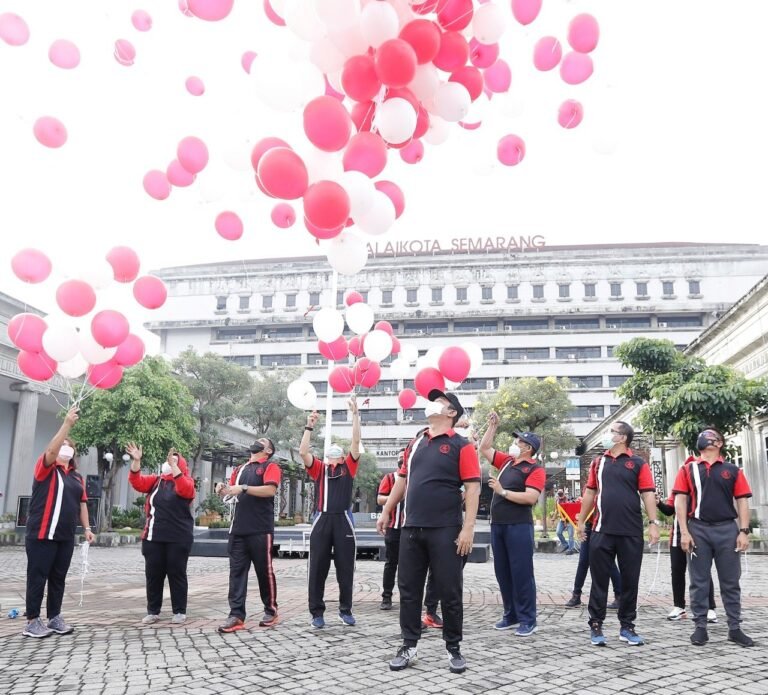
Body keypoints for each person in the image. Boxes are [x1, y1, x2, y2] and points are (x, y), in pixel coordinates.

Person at [377, 389, 481, 674]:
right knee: (409, 590)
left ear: (451, 413)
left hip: (446, 529)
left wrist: (468, 528)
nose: (432, 403)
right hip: (411, 528)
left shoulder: (462, 445)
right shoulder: (417, 441)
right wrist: (387, 511)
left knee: (449, 591)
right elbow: (402, 479)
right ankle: (409, 644)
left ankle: (454, 648)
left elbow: (473, 486)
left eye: (441, 402)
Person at [577, 421, 659, 647]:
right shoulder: (598, 462)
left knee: (630, 581)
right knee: (599, 581)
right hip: (601, 530)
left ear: (623, 438)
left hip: (631, 531)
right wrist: (581, 521)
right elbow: (590, 492)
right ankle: (596, 624)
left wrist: (653, 523)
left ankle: (627, 626)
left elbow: (648, 493)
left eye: (611, 431)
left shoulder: (638, 463)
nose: (607, 435)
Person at [674, 428, 754, 647]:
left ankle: (735, 628)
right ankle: (700, 627)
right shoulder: (688, 468)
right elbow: (680, 500)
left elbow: (742, 500)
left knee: (730, 581)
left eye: (712, 436)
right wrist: (684, 531)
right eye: (704, 435)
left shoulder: (732, 470)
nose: (707, 437)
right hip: (697, 529)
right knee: (698, 581)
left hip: (727, 529)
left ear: (719, 443)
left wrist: (743, 531)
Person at [23, 406, 96, 638]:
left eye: (70, 447)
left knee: (58, 577)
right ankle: (33, 620)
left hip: (65, 536)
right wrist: (66, 425)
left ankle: (54, 617)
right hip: (42, 533)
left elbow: (82, 503)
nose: (66, 449)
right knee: (38, 576)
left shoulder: (76, 477)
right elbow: (50, 451)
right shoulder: (46, 469)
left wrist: (87, 528)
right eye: (63, 445)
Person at [480, 413, 545, 637]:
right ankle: (511, 614)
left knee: (521, 573)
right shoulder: (508, 461)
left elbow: (530, 498)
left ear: (528, 448)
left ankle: (528, 619)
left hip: (518, 526)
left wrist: (502, 492)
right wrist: (492, 426)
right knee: (503, 572)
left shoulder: (534, 469)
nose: (515, 444)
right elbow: (485, 448)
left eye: (519, 441)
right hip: (498, 524)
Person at [299, 398, 361, 628]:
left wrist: (355, 415)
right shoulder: (319, 469)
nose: (334, 454)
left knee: (345, 569)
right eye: (331, 453)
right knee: (317, 568)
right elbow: (303, 451)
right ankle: (317, 612)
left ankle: (345, 610)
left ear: (342, 456)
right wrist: (310, 425)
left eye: (338, 453)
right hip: (322, 519)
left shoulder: (348, 467)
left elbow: (356, 441)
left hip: (343, 520)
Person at [213, 437, 281, 633]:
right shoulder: (240, 468)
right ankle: (236, 615)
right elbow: (230, 492)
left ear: (268, 450)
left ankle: (271, 610)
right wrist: (221, 488)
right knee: (236, 573)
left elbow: (269, 490)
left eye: (262, 441)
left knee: (264, 572)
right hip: (237, 530)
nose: (256, 442)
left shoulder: (271, 466)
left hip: (261, 529)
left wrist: (243, 488)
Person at [127, 444, 196, 625]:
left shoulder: (186, 481)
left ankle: (179, 611)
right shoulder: (156, 481)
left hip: (178, 538)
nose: (169, 461)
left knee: (177, 573)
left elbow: (185, 489)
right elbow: (136, 481)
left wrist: (175, 467)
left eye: (174, 459)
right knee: (153, 574)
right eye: (168, 459)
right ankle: (153, 611)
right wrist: (136, 461)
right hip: (153, 537)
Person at [376, 451, 448, 625]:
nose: (403, 460)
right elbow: (379, 499)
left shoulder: (421, 476)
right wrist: (396, 497)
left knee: (416, 567)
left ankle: (421, 605)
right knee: (391, 563)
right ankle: (387, 596)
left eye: (405, 457)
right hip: (395, 527)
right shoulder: (391, 478)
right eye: (400, 458)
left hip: (417, 527)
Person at [656, 488, 717, 622]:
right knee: (677, 571)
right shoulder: (677, 489)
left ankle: (709, 608)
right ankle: (679, 607)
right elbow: (669, 510)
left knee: (702, 571)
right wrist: (659, 503)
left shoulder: (704, 486)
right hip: (677, 537)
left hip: (699, 537)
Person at [564, 517, 622, 611]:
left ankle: (619, 596)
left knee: (609, 562)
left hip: (603, 526)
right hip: (589, 525)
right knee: (583, 561)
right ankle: (576, 595)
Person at [554, 489, 576, 554]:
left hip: (569, 520)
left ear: (563, 493)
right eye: (559, 494)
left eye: (561, 494)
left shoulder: (568, 499)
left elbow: (572, 508)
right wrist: (553, 518)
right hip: (562, 519)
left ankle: (570, 549)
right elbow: (556, 510)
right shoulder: (557, 501)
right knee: (558, 532)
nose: (560, 495)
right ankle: (565, 545)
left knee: (570, 535)